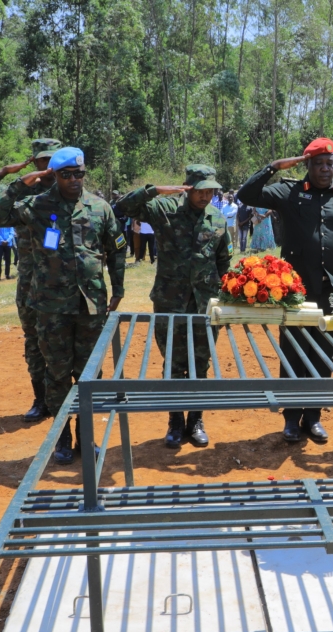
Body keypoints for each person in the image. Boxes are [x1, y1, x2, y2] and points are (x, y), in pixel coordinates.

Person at [237, 137, 333, 444]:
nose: (325, 169)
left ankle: (314, 417)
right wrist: (274, 168)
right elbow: (246, 194)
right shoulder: (288, 192)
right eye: (318, 163)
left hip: (332, 293)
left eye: (329, 164)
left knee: (324, 355)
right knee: (294, 354)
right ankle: (292, 419)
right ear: (307, 165)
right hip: (295, 292)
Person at [15, 146, 126, 463]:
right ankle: (62, 438)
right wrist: (22, 182)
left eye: (79, 173)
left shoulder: (99, 207)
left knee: (89, 376)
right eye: (67, 174)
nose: (75, 179)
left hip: (91, 306)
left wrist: (117, 287)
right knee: (58, 374)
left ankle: (85, 438)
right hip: (51, 308)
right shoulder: (37, 206)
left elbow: (116, 248)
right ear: (54, 175)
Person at [117, 165, 228, 448]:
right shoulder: (164, 208)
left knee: (200, 363)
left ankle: (196, 420)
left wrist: (226, 299)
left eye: (210, 190)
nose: (206, 196)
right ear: (186, 187)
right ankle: (175, 421)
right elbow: (124, 207)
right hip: (171, 303)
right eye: (200, 190)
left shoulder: (217, 218)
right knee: (174, 364)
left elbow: (223, 261)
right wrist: (154, 190)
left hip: (204, 304)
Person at [0, 138, 61, 423]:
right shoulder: (23, 191)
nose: (45, 166)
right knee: (33, 340)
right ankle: (40, 399)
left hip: (63, 281)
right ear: (32, 161)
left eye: (50, 160)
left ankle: (65, 401)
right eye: (40, 160)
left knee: (63, 342)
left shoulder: (71, 188)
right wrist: (5, 173)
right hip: (30, 280)